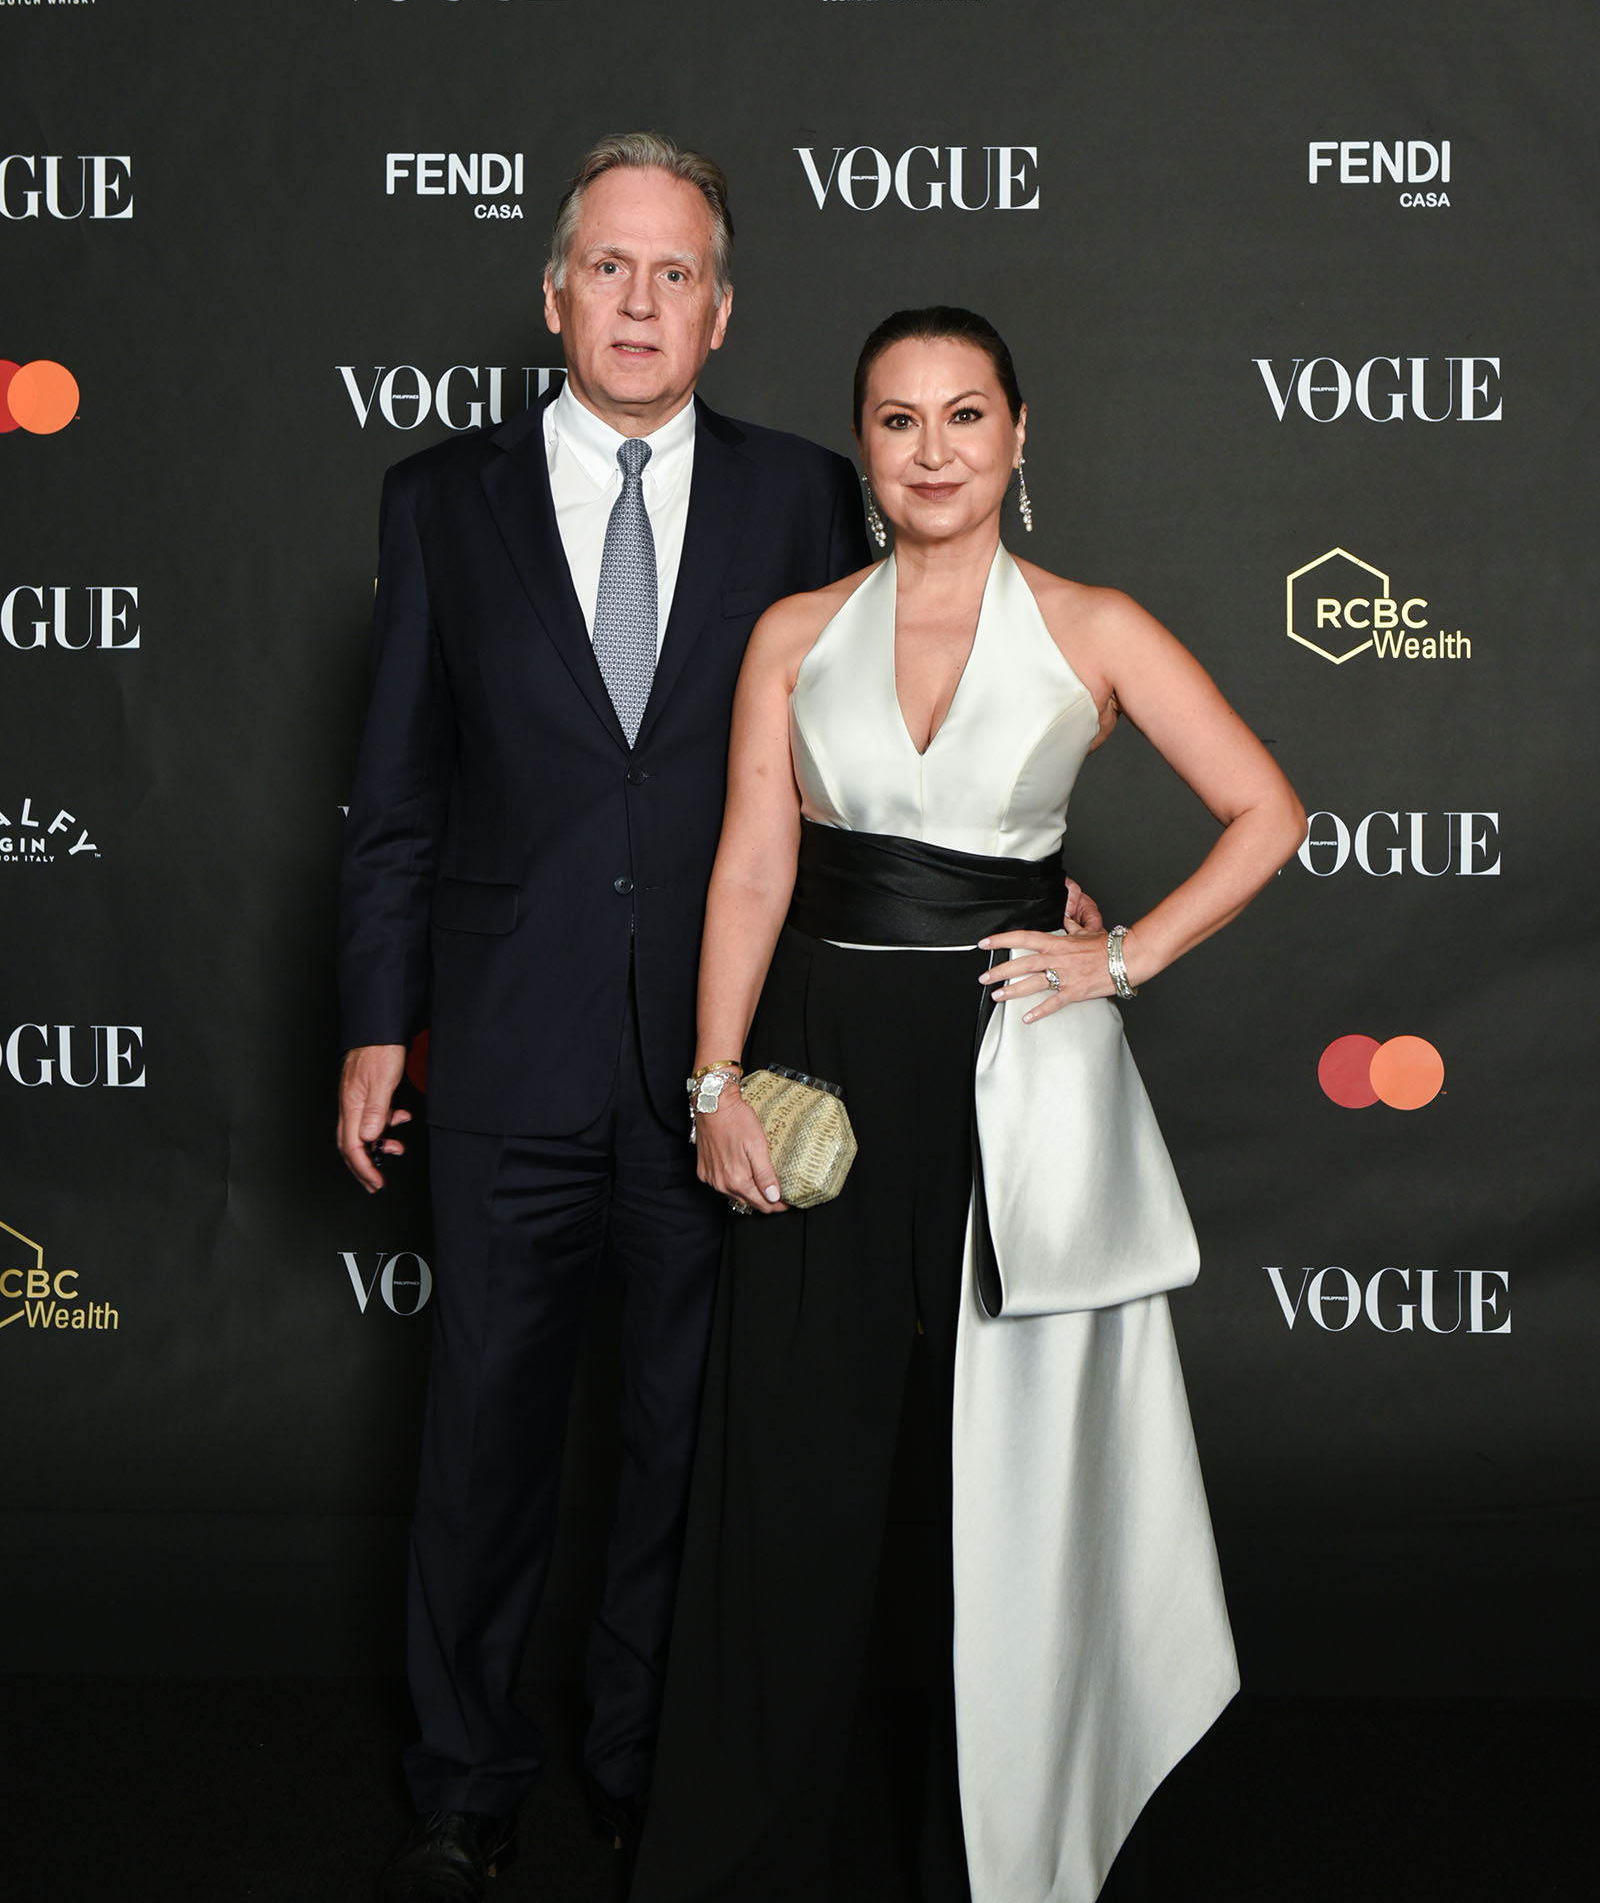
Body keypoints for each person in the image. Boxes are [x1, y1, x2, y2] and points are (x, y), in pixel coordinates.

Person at [632, 308, 1307, 1903]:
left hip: (1014, 1080)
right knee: (788, 1476)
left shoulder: (1096, 625)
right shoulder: (793, 632)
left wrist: (1119, 958)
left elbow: (1268, 811)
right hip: (821, 1063)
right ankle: (746, 1854)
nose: (931, 450)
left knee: (1005, 1482)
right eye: (895, 419)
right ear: (861, 445)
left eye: (963, 416)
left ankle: (1004, 1847)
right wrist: (717, 1081)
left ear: (1019, 434)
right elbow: (750, 865)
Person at [333, 133, 874, 1903]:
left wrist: (1037, 897)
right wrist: (374, 1024)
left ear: (722, 313)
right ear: (554, 292)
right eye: (611, 269)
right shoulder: (443, 497)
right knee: (484, 1434)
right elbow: (400, 794)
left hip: (717, 1066)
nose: (641, 302)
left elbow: (871, 769)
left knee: (677, 1444)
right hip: (500, 1051)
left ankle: (649, 1765)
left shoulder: (808, 498)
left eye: (678, 275)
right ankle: (463, 1782)